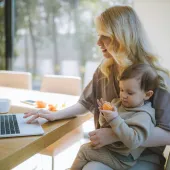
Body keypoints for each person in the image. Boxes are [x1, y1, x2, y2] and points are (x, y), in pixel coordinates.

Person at [24, 5, 170, 170]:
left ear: (122, 37)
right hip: (110, 151)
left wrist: (115, 135)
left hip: (143, 157)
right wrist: (55, 115)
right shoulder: (105, 69)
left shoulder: (156, 78)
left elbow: (168, 134)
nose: (98, 42)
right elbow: (86, 103)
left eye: (104, 36)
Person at [70, 63, 160, 170]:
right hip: (111, 151)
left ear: (147, 95)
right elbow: (104, 125)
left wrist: (114, 119)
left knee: (85, 151)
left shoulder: (144, 115)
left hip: (123, 159)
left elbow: (134, 142)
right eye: (121, 90)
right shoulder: (117, 103)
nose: (123, 95)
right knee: (86, 149)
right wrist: (104, 114)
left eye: (130, 93)